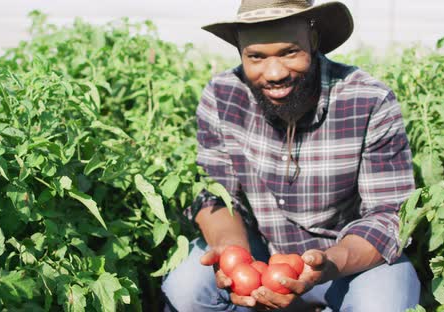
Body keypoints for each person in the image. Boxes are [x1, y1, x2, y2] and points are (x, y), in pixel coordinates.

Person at [162, 0, 420, 311]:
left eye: (289, 52)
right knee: (186, 288)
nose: (274, 73)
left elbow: (390, 214)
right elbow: (215, 192)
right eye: (255, 56)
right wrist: (234, 258)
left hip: (346, 262)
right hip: (259, 253)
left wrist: (327, 264)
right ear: (240, 52)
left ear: (313, 42)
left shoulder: (368, 100)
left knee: (383, 305)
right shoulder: (223, 94)